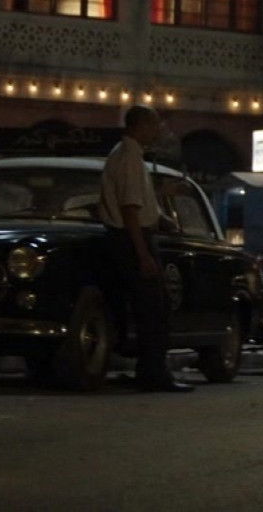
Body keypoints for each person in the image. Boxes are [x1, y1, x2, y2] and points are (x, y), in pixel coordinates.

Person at [98, 105, 192, 393]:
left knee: (151, 307)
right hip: (132, 239)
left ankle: (150, 369)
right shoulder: (128, 158)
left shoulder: (127, 155)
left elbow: (138, 204)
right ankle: (153, 372)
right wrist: (143, 254)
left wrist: (160, 216)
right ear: (140, 126)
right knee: (153, 309)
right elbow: (129, 209)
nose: (157, 131)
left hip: (131, 236)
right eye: (153, 125)